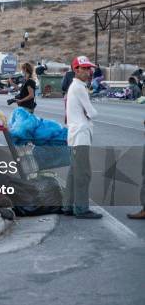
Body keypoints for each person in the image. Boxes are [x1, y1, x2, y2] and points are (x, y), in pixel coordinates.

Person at [62, 56, 101, 219]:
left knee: (73, 172)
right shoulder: (79, 87)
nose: (88, 71)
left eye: (89, 68)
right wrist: (89, 113)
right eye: (84, 69)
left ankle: (68, 206)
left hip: (74, 134)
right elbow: (93, 113)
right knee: (83, 173)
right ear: (76, 69)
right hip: (81, 135)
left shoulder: (74, 86)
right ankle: (81, 209)